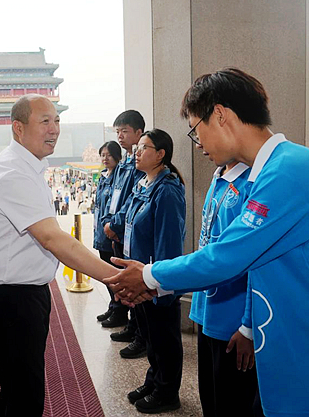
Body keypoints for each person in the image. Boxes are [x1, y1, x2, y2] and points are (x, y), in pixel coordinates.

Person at [106, 68, 309, 417]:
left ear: (220, 115)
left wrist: (149, 276)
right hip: (298, 364)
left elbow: (225, 256)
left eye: (196, 129)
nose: (199, 143)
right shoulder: (264, 173)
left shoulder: (291, 169)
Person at [0, 94, 124, 417]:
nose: (54, 129)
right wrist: (115, 278)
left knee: (17, 389)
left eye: (56, 120)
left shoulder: (27, 167)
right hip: (12, 298)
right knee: (25, 396)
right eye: (45, 121)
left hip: (22, 292)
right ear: (18, 128)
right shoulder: (13, 173)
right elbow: (53, 238)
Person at [121, 129, 186, 413]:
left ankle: (167, 392)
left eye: (144, 147)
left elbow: (168, 243)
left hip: (156, 281)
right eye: (138, 147)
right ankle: (154, 380)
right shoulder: (143, 183)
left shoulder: (167, 190)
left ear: (161, 154)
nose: (137, 152)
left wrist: (160, 284)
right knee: (150, 336)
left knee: (164, 338)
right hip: (140, 277)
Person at [191, 160, 259, 417]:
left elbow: (255, 263)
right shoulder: (218, 176)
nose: (199, 143)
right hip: (207, 309)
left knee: (232, 402)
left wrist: (248, 326)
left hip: (234, 323)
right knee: (210, 396)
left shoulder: (252, 183)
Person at [102, 110, 146, 359]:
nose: (120, 136)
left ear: (138, 133)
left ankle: (140, 334)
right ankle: (132, 325)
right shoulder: (125, 163)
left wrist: (116, 225)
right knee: (125, 281)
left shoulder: (140, 165)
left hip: (126, 231)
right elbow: (114, 199)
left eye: (125, 131)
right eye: (117, 131)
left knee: (135, 284)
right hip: (118, 231)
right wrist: (109, 223)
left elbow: (132, 200)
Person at [93, 142, 123, 322]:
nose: (105, 158)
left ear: (117, 156)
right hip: (100, 233)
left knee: (114, 274)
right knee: (106, 274)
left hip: (111, 234)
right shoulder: (103, 176)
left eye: (109, 155)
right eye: (102, 155)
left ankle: (119, 311)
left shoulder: (119, 178)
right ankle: (113, 305)